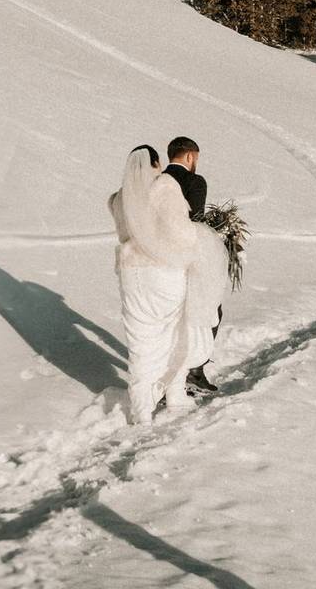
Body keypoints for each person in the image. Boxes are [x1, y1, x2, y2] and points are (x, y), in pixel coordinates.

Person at [108, 145, 227, 424]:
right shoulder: (164, 188)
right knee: (174, 334)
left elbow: (126, 233)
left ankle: (141, 412)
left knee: (140, 340)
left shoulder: (121, 197)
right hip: (163, 273)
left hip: (130, 274)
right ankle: (174, 397)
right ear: (156, 163)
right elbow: (182, 234)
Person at [162, 137, 222, 393]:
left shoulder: (156, 180)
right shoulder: (194, 182)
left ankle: (164, 376)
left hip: (156, 259)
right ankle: (193, 371)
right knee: (210, 311)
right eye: (196, 158)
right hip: (186, 257)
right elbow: (195, 220)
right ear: (189, 157)